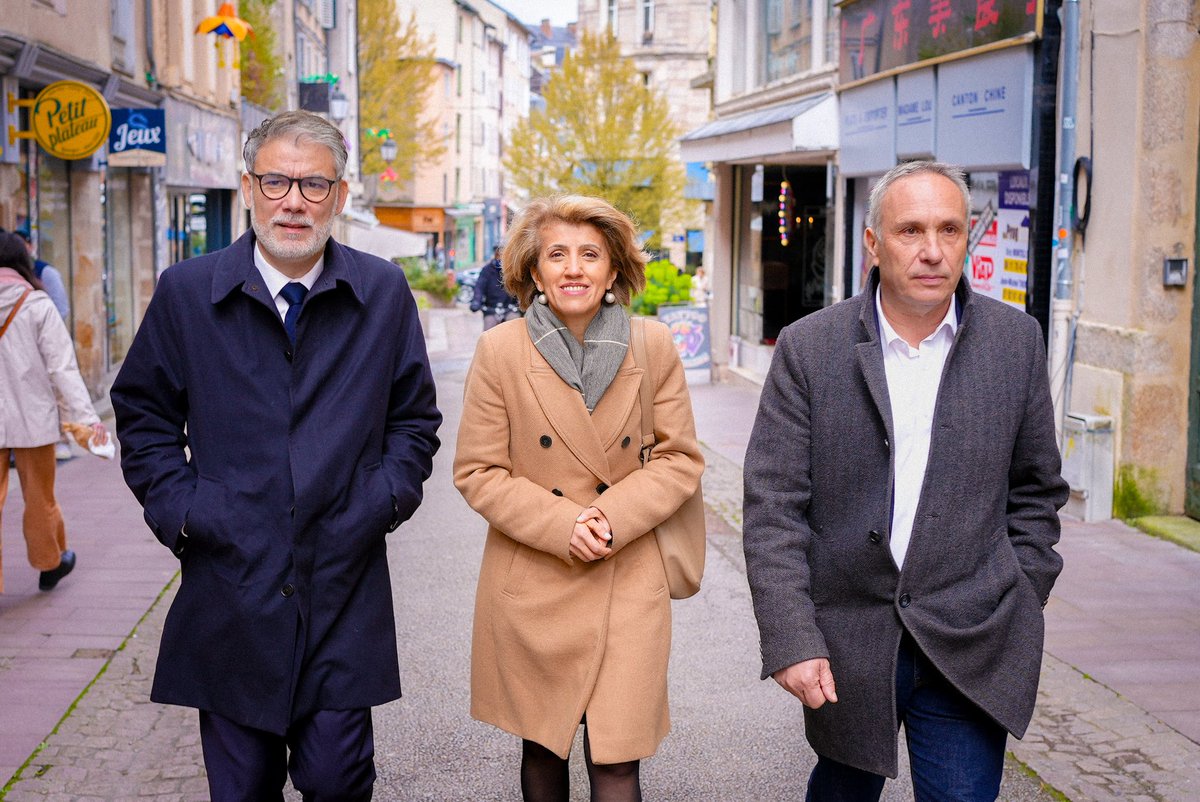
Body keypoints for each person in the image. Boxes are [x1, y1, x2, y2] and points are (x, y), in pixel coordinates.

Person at [110, 110, 442, 802]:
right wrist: (189, 512)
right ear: (249, 186)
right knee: (242, 789)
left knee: (337, 779)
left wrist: (380, 501)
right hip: (231, 581)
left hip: (342, 582)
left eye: (314, 184)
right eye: (277, 181)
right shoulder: (188, 293)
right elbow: (143, 415)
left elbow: (414, 418)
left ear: (340, 196)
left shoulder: (380, 292)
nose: (294, 200)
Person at [742, 161, 1068, 801]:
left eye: (949, 230)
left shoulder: (1015, 343)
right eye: (910, 230)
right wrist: (791, 636)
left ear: (968, 237)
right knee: (844, 788)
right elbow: (774, 508)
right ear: (873, 243)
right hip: (848, 637)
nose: (932, 251)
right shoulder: (812, 348)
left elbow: (1036, 491)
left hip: (972, 634)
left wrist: (1019, 593)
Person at [454, 195, 704, 801]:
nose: (574, 269)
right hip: (538, 574)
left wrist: (609, 518)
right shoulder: (501, 351)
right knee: (543, 747)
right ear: (533, 272)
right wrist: (563, 523)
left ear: (614, 269)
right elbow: (477, 471)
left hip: (629, 573)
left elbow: (680, 458)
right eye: (557, 255)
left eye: (590, 254)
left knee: (618, 759)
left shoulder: (653, 345)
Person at [0, 232, 108, 593]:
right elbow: (62, 369)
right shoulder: (37, 305)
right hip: (33, 422)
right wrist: (86, 419)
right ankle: (49, 563)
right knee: (39, 498)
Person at [470, 244, 521, 330]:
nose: (500, 258)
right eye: (498, 255)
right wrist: (476, 301)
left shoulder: (512, 270)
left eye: (503, 256)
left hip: (509, 308)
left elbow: (520, 287)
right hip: (491, 309)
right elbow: (479, 287)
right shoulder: (487, 270)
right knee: (488, 331)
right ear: (495, 255)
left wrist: (521, 301)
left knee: (516, 327)